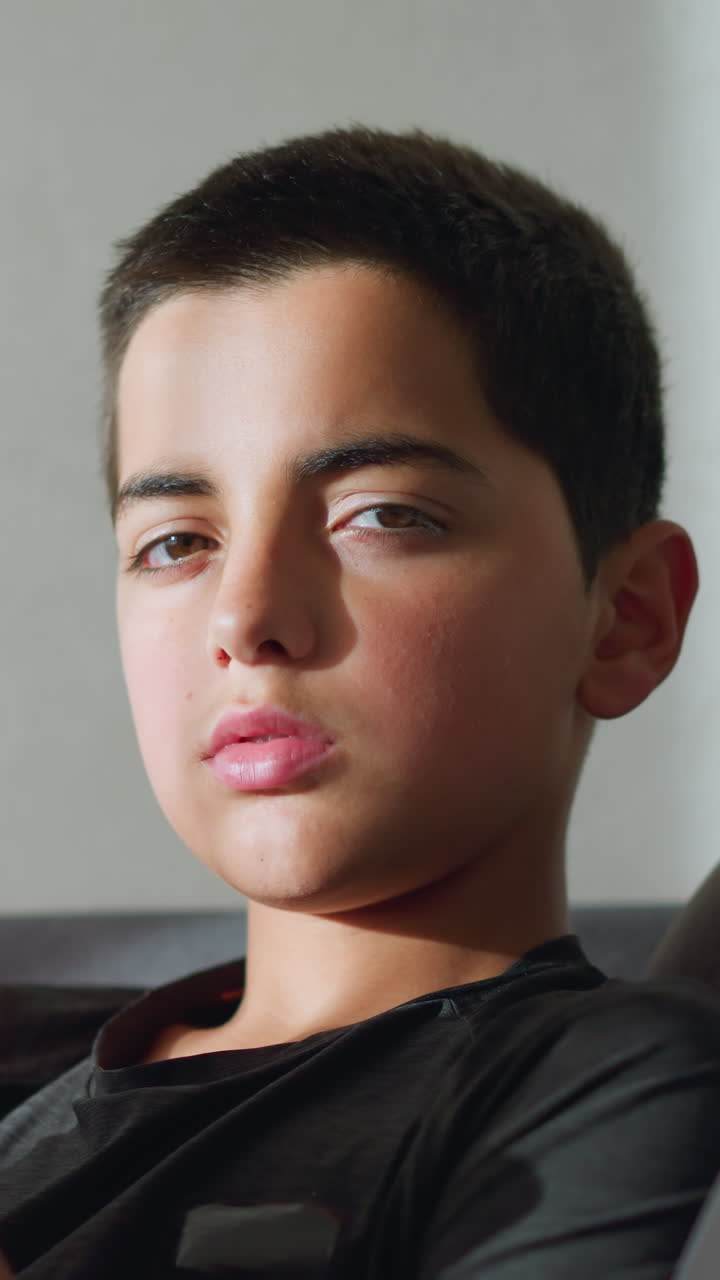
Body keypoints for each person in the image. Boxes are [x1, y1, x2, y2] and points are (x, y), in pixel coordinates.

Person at [1, 124, 719, 1279]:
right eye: (177, 540)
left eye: (382, 516)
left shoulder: (606, 1078)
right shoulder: (29, 1067)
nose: (247, 616)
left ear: (627, 616)